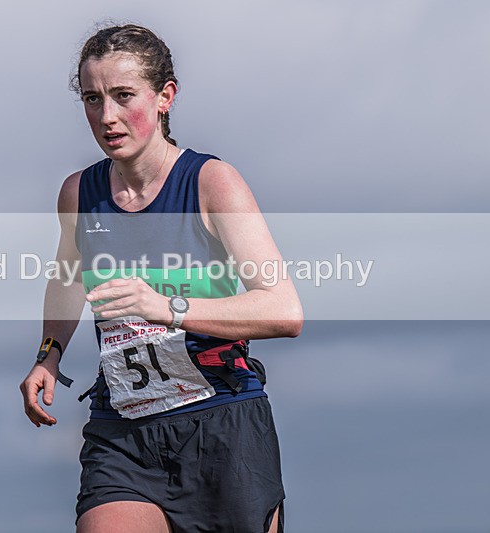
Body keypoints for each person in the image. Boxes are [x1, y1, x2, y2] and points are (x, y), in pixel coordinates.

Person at [20, 23, 303, 533]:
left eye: (123, 96)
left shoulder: (211, 182)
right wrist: (49, 354)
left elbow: (283, 309)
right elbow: (69, 277)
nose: (107, 116)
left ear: (165, 97)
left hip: (220, 423)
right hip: (123, 429)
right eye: (92, 98)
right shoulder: (77, 194)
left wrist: (168, 307)